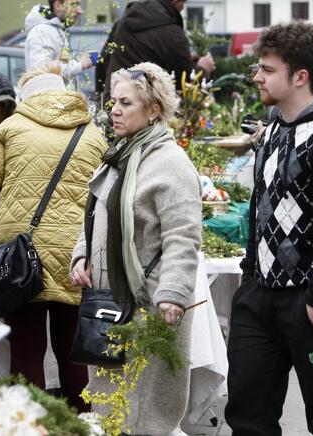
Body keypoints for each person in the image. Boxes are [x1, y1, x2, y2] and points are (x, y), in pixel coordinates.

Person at [225, 21, 313, 436]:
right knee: (248, 413)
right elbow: (259, 207)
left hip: (312, 300)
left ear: (300, 76)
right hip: (260, 296)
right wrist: (250, 275)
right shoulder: (272, 132)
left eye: (267, 69)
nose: (257, 77)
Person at [71, 62, 202, 434]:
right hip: (108, 305)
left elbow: (184, 236)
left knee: (143, 415)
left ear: (153, 110)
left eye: (126, 103)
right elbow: (96, 216)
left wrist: (173, 294)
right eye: (113, 101)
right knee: (111, 409)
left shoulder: (170, 164)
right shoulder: (119, 156)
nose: (114, 110)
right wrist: (81, 255)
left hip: (150, 309)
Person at [0, 63, 107, 411]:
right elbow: (104, 195)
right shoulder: (92, 135)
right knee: (72, 350)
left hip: (20, 257)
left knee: (26, 348)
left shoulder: (10, 129)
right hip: (76, 255)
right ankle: (80, 425)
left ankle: (28, 423)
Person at [103, 0, 215, 92]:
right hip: (143, 104)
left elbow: (105, 60)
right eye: (183, 3)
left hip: (114, 99)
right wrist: (203, 69)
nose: (183, 8)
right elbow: (187, 83)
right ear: (175, 1)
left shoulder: (124, 20)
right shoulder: (173, 34)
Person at [24, 0, 93, 83]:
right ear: (58, 5)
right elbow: (41, 73)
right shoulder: (41, 32)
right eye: (74, 4)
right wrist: (79, 64)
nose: (79, 11)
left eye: (79, 4)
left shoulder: (59, 30)